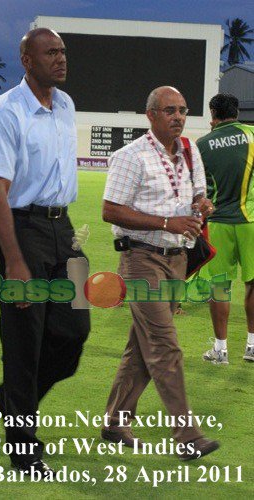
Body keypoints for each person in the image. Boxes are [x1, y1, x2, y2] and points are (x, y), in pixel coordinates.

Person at [0, 28, 90, 476]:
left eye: (62, 51)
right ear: (27, 60)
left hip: (62, 231)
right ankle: (24, 452)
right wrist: (16, 261)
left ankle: (8, 400)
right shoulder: (6, 111)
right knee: (24, 345)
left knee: (74, 333)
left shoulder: (65, 105)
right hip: (20, 229)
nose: (60, 59)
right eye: (50, 52)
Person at [101, 86, 218, 459]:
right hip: (141, 260)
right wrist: (168, 222)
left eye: (183, 110)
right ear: (151, 115)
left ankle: (115, 421)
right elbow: (110, 211)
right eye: (170, 110)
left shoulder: (189, 149)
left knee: (142, 346)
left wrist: (202, 204)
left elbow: (198, 193)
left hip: (177, 260)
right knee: (165, 346)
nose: (178, 116)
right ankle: (187, 435)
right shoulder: (130, 156)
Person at [197, 93, 254, 364]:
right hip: (251, 222)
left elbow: (200, 189)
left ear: (213, 114)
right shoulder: (253, 135)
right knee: (253, 283)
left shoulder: (203, 144)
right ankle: (252, 346)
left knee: (220, 287)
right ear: (237, 111)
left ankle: (220, 350)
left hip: (219, 222)